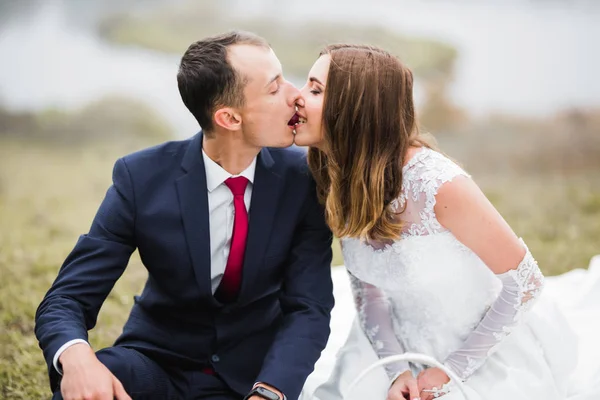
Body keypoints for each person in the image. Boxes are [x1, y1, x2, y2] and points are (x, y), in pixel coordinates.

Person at [35, 31, 334, 400]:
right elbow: (67, 297)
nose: (296, 95)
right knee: (96, 384)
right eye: (274, 89)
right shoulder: (140, 177)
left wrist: (269, 392)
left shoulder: (304, 180)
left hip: (248, 381)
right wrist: (77, 358)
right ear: (229, 117)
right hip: (154, 362)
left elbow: (310, 307)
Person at [291, 43, 600, 400]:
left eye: (314, 89)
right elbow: (367, 292)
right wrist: (396, 370)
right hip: (393, 344)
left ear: (355, 108)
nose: (296, 97)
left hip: (479, 347)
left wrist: (449, 371)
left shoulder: (437, 184)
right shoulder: (336, 176)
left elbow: (526, 282)